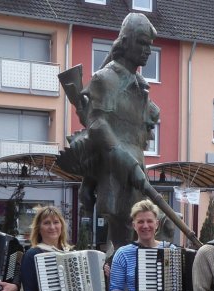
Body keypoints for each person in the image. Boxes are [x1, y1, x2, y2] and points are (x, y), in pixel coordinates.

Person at [57, 12, 162, 250]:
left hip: (136, 165)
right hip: (116, 170)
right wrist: (98, 175)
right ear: (125, 42)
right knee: (126, 240)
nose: (147, 50)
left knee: (148, 232)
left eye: (150, 45)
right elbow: (97, 127)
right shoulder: (106, 79)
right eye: (142, 43)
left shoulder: (139, 84)